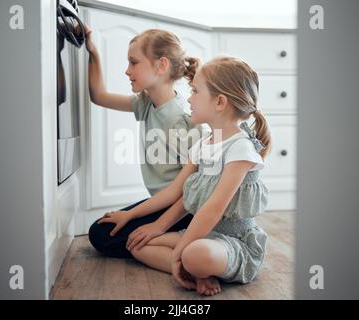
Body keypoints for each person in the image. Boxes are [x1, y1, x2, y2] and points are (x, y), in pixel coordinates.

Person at [115, 56, 271, 296]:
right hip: (204, 235)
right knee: (139, 245)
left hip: (233, 241)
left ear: (220, 102)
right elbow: (182, 194)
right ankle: (193, 271)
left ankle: (191, 264)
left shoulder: (240, 148)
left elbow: (213, 209)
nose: (189, 98)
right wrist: (157, 227)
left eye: (195, 91)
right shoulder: (202, 145)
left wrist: (179, 251)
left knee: (194, 253)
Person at [84, 25, 201, 258]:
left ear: (161, 65)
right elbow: (99, 96)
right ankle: (175, 242)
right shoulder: (146, 103)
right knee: (102, 229)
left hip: (185, 209)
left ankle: (188, 242)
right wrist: (93, 52)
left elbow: (191, 191)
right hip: (163, 201)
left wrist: (135, 216)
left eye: (133, 62)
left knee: (100, 234)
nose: (127, 71)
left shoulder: (181, 118)